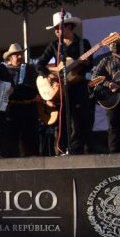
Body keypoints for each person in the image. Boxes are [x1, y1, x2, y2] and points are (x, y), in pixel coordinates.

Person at [36, 12, 94, 155]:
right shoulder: (54, 45)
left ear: (68, 27)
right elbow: (39, 65)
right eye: (55, 28)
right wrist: (49, 75)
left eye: (58, 28)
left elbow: (90, 65)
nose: (56, 31)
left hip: (78, 88)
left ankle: (75, 153)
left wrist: (85, 64)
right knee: (61, 123)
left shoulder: (83, 44)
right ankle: (60, 152)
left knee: (78, 123)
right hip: (61, 90)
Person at [1, 43, 40, 157]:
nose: (19, 57)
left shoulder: (32, 68)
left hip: (30, 107)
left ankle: (33, 161)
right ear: (9, 58)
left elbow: (40, 84)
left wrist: (40, 94)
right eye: (15, 55)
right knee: (13, 137)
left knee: (31, 136)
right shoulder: (4, 71)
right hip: (13, 108)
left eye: (20, 54)